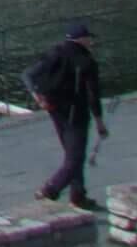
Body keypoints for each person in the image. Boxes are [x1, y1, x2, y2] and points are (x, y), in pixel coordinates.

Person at [26, 22, 107, 209]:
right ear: (81, 39)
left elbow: (28, 75)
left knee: (71, 153)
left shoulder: (55, 53)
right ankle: (50, 190)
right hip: (76, 113)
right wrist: (99, 122)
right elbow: (93, 95)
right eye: (88, 38)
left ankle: (78, 196)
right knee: (75, 157)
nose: (90, 41)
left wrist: (38, 98)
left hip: (55, 110)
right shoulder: (86, 61)